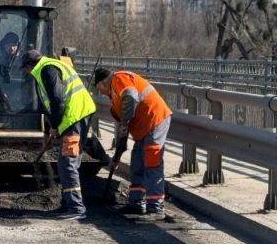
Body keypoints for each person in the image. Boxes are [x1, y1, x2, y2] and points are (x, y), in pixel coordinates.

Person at [21, 50, 97, 219]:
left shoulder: (47, 70)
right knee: (68, 162)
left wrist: (55, 125)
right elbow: (49, 105)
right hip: (75, 116)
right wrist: (49, 130)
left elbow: (58, 100)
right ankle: (67, 204)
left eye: (25, 69)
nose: (25, 73)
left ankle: (76, 207)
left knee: (67, 162)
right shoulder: (48, 67)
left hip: (75, 116)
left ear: (29, 66)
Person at [93, 67, 173, 218]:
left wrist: (124, 123)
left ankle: (155, 208)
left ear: (104, 82)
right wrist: (116, 159)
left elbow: (131, 97)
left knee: (151, 163)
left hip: (154, 119)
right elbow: (123, 134)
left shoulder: (118, 79)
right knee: (137, 162)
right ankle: (136, 203)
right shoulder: (114, 97)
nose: (101, 92)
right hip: (142, 128)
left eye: (99, 88)